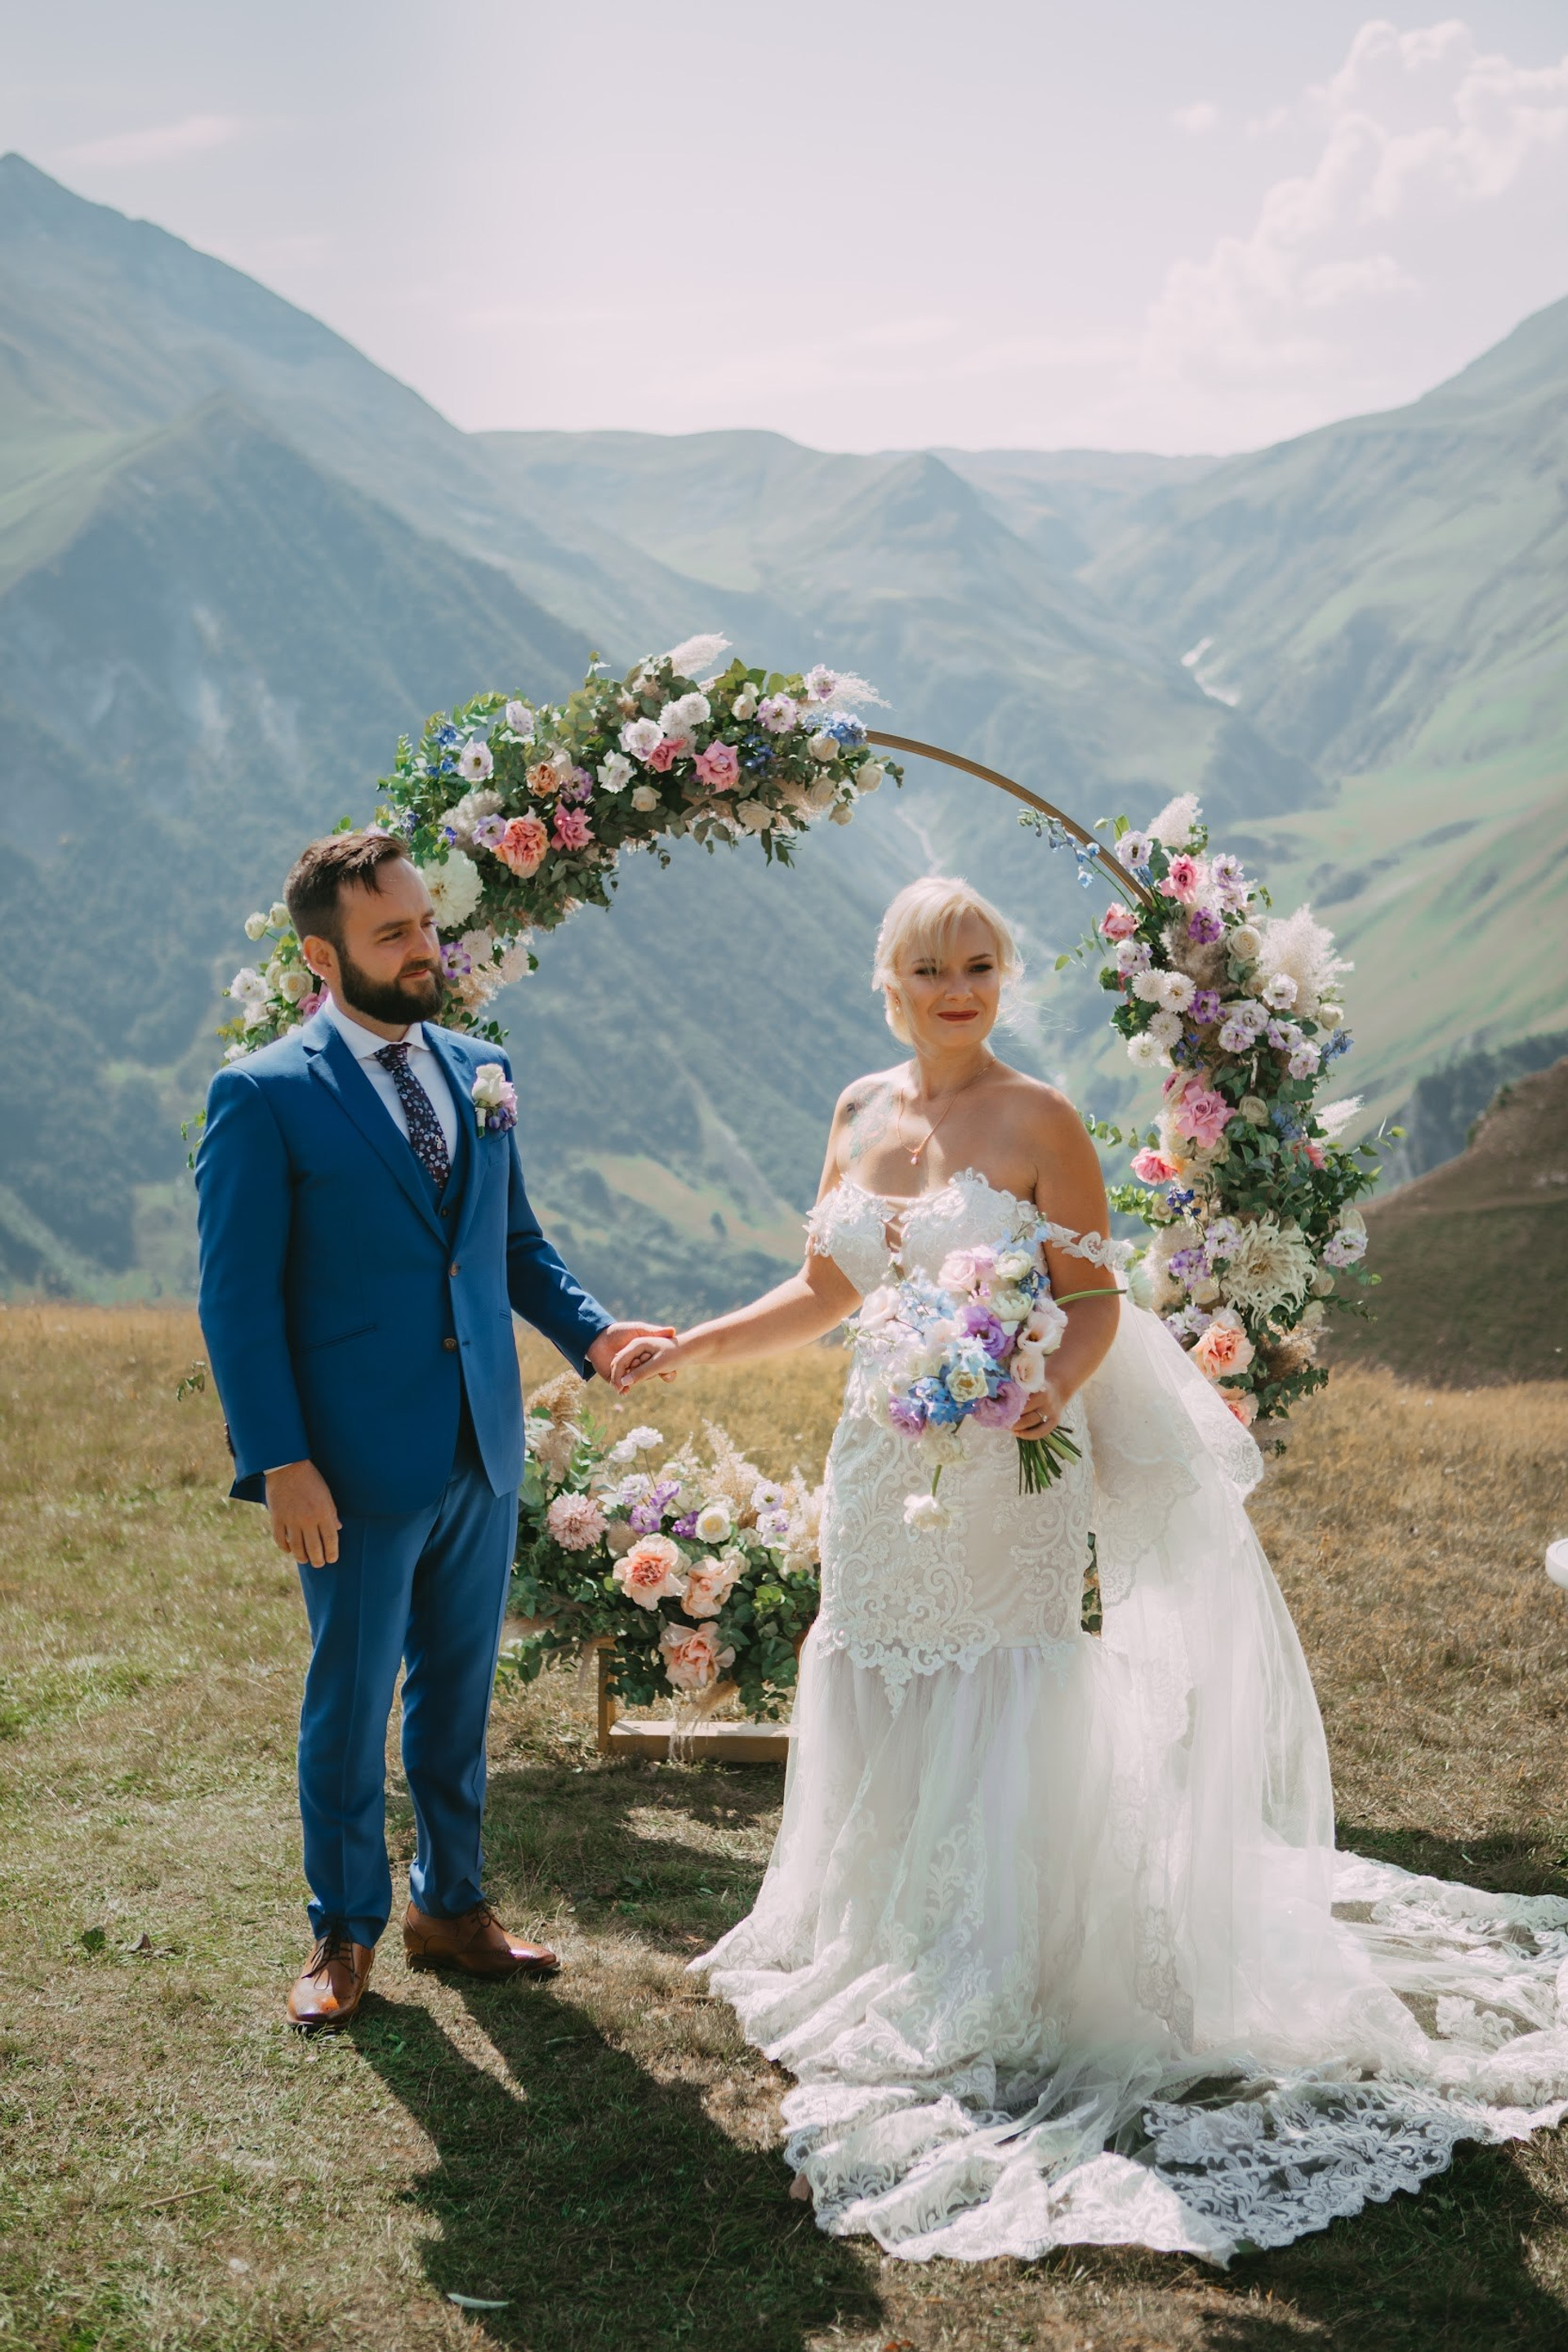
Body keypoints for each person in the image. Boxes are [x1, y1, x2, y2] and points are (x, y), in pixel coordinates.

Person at [612, 875, 1568, 2265]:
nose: (958, 986)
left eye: (981, 962)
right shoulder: (856, 1111)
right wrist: (693, 1343)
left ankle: (1010, 1966)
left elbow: (1098, 1301)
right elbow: (830, 1294)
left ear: (1003, 977)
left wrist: (1048, 1389)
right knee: (874, 1665)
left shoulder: (1042, 1120)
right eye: (932, 965)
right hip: (880, 1473)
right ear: (887, 978)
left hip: (1010, 1464)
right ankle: (884, 1937)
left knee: (1006, 1683)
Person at [196, 831, 670, 2031]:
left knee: (456, 1695)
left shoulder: (480, 1066)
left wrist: (596, 1336)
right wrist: (282, 1461)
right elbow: (235, 1300)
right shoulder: (263, 1093)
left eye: (425, 924)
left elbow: (511, 1242)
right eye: (392, 933)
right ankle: (343, 1932)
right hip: (349, 1462)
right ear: (323, 956)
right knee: (351, 1700)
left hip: (480, 1440)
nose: (424, 950)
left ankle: (450, 1910)